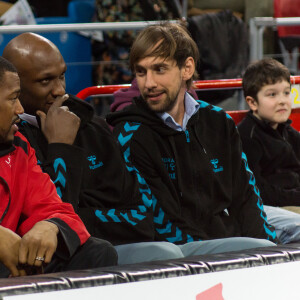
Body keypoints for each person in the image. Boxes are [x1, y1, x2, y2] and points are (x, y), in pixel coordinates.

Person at [3, 32, 209, 265]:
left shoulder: (94, 127)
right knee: (163, 255)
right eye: (45, 81)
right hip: (67, 259)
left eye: (62, 76)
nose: (60, 90)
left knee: (167, 254)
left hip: (110, 247)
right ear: (16, 85)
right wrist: (61, 147)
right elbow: (53, 220)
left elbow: (142, 217)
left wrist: (83, 215)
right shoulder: (15, 140)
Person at [106, 22, 278, 255]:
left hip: (228, 233)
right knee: (261, 247)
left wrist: (270, 250)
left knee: (284, 237)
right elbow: (159, 222)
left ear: (187, 68)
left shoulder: (218, 120)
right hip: (181, 250)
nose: (148, 83)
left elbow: (245, 194)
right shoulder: (131, 134)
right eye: (141, 72)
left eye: (159, 69)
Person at [0, 56, 117, 278]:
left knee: (97, 252)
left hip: (14, 263)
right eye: (13, 98)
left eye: (62, 77)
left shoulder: (19, 148)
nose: (20, 108)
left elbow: (56, 207)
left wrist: (50, 226)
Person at [237, 58, 300, 243]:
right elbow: (258, 190)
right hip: (273, 207)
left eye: (286, 93)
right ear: (252, 102)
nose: (282, 101)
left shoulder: (289, 133)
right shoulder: (247, 136)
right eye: (272, 95)